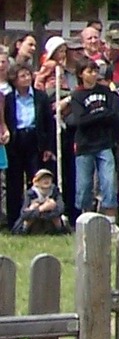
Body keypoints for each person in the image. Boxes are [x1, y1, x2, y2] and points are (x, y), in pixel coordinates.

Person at [2, 64, 58, 227]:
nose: (27, 79)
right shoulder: (9, 98)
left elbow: (48, 122)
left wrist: (48, 147)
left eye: (28, 75)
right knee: (14, 181)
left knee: (36, 179)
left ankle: (39, 219)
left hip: (35, 139)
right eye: (22, 76)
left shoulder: (40, 97)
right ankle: (15, 220)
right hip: (16, 140)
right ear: (15, 80)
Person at [62, 64, 119, 216]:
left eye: (95, 71)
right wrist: (102, 113)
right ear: (81, 74)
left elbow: (114, 114)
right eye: (90, 71)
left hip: (105, 143)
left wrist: (96, 116)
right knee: (84, 184)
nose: (94, 74)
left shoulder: (106, 91)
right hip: (85, 144)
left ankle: (110, 219)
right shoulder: (77, 95)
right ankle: (85, 218)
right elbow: (81, 120)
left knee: (108, 182)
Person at [12, 167, 67, 235]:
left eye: (48, 178)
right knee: (30, 213)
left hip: (49, 221)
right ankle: (23, 232)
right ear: (36, 182)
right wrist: (42, 208)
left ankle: (60, 232)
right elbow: (24, 214)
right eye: (43, 178)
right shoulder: (30, 194)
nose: (46, 180)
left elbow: (61, 209)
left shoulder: (55, 192)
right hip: (34, 223)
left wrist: (50, 208)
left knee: (57, 217)